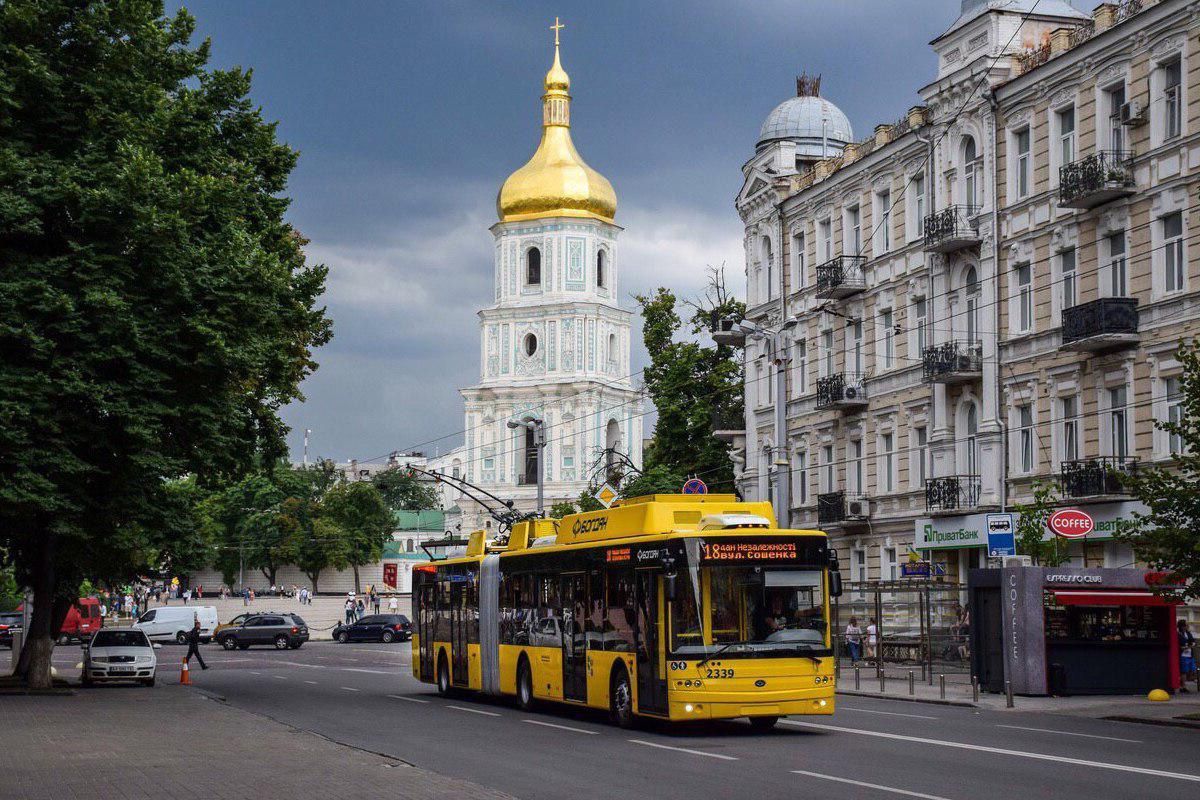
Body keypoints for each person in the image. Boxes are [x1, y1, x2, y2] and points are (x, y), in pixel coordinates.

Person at [1179, 620, 1196, 693]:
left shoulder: (1188, 633)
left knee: (1193, 669)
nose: (1187, 626)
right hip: (1183, 655)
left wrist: (1192, 644)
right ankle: (1183, 686)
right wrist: (1182, 647)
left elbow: (1192, 640)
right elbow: (1178, 644)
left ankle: (1185, 681)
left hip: (1190, 654)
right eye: (1186, 625)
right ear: (1182, 626)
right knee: (1184, 671)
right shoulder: (1179, 634)